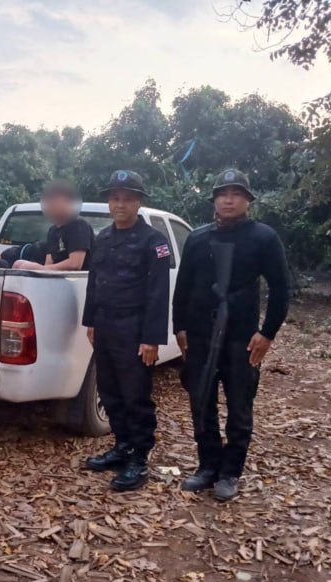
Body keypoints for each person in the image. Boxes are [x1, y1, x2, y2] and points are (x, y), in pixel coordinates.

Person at [175, 168, 290, 501]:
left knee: (239, 405)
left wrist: (267, 333)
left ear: (248, 201)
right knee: (201, 402)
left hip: (242, 336)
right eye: (223, 194)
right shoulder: (197, 238)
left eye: (236, 194)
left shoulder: (264, 237)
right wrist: (179, 327)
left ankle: (230, 473)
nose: (229, 200)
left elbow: (281, 289)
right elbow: (182, 288)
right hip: (200, 335)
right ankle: (207, 466)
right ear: (214, 200)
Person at [82, 170, 171, 492]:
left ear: (139, 202)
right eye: (115, 198)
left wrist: (151, 338)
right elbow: (94, 282)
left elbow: (159, 293)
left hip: (134, 328)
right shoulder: (103, 237)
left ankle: (139, 459)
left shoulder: (154, 242)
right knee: (109, 390)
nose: (120, 204)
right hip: (105, 325)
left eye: (127, 199)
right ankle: (122, 447)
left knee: (135, 395)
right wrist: (90, 321)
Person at [13, 179, 93, 271]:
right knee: (19, 264)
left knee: (24, 266)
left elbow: (75, 264)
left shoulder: (79, 225)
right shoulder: (53, 230)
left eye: (56, 201)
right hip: (56, 277)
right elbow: (49, 262)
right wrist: (42, 269)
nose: (52, 205)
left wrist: (42, 269)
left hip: (79, 278)